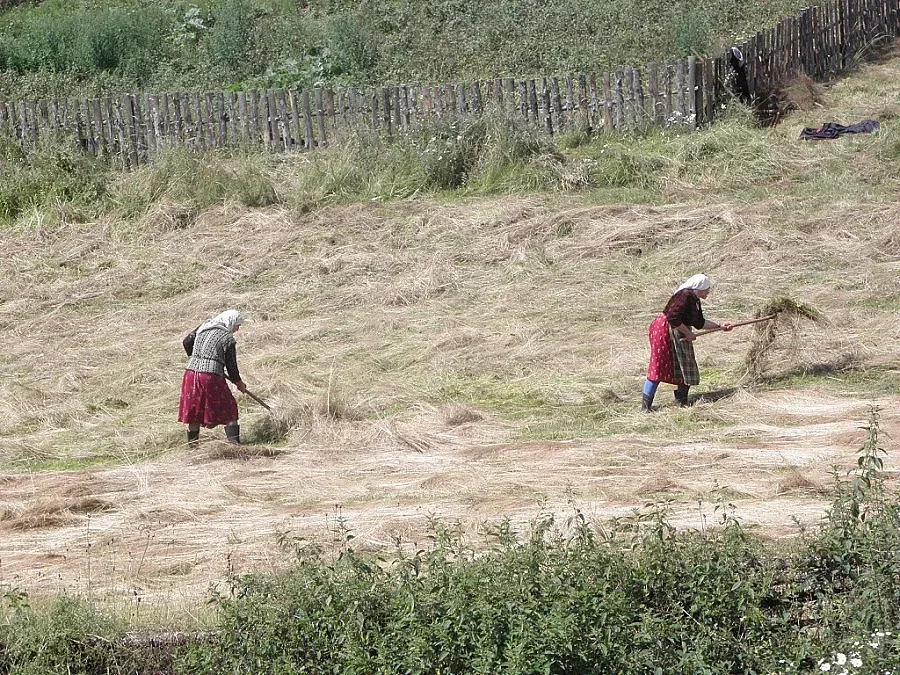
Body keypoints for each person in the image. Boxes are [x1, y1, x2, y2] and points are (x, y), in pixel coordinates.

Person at [642, 274, 732, 412]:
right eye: (707, 289)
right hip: (664, 330)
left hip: (677, 329)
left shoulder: (694, 300)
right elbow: (673, 317)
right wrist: (688, 333)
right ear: (699, 288)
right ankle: (646, 407)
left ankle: (681, 402)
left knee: (686, 364)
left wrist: (720, 326)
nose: (708, 292)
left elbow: (699, 323)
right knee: (658, 366)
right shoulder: (685, 295)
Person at [178, 309, 248, 445]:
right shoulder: (227, 338)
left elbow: (187, 342)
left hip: (190, 374)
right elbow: (231, 366)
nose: (237, 329)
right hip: (210, 377)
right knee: (229, 408)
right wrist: (239, 383)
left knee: (195, 410)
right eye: (237, 325)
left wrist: (197, 358)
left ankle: (193, 448)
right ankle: (235, 446)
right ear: (230, 322)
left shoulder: (204, 327)